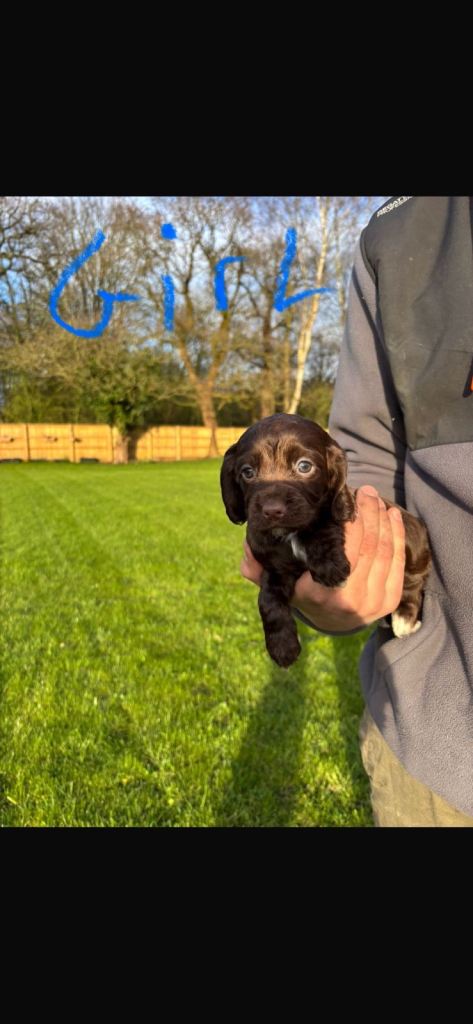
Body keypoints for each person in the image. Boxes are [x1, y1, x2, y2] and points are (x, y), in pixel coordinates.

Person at [241, 195, 473, 827]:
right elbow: (365, 457)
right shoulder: (400, 228)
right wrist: (339, 588)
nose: (272, 488)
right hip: (442, 736)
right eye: (250, 475)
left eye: (299, 469)